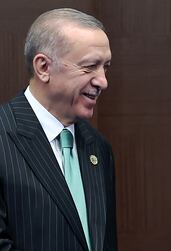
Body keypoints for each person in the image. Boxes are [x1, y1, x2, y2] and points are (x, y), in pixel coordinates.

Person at [0, 8, 117, 251]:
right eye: (90, 67)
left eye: (105, 66)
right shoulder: (4, 136)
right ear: (43, 67)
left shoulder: (98, 147)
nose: (103, 81)